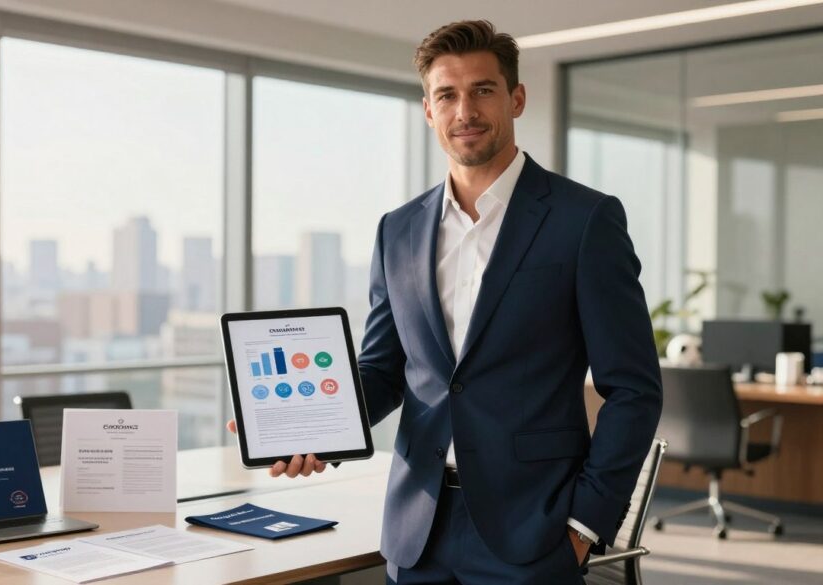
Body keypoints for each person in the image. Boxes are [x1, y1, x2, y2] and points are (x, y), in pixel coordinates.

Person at [230, 19, 662, 585]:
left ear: (516, 98)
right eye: (447, 95)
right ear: (428, 110)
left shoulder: (585, 221)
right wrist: (311, 432)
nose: (466, 110)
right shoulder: (398, 230)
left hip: (534, 530)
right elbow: (385, 371)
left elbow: (633, 388)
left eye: (483, 89)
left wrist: (585, 524)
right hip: (419, 529)